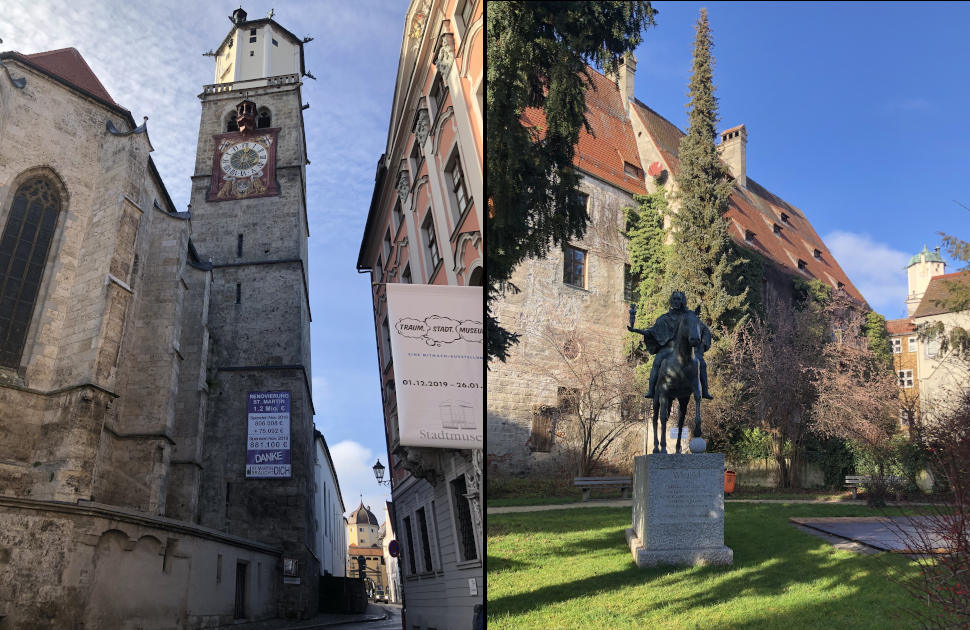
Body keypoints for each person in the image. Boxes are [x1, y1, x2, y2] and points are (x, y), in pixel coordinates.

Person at [628, 291, 713, 399]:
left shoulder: (689, 316)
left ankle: (705, 391)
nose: (677, 302)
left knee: (702, 363)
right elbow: (651, 331)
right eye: (675, 299)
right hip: (669, 348)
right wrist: (634, 330)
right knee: (657, 362)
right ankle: (651, 390)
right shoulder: (664, 318)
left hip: (686, 349)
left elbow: (704, 329)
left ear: (683, 301)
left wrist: (702, 346)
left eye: (679, 299)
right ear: (671, 301)